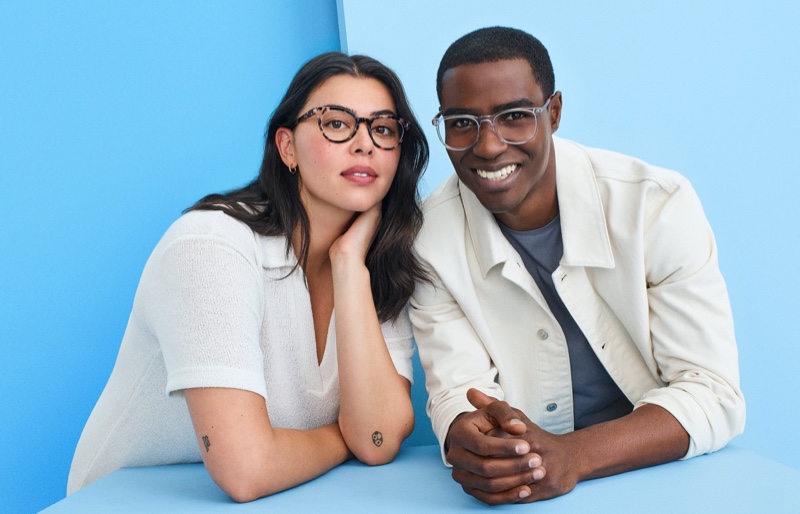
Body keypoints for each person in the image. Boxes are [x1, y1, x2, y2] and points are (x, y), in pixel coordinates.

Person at [67, 51, 429, 502]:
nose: (365, 144)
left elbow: (377, 442)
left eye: (383, 128)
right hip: (127, 499)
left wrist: (348, 265)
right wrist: (345, 437)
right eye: (337, 123)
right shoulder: (210, 243)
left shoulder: (378, 261)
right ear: (287, 147)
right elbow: (247, 470)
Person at [410, 26, 745, 505]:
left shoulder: (654, 207)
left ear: (556, 112)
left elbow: (712, 390)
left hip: (660, 474)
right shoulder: (428, 240)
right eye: (462, 122)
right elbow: (457, 391)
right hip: (529, 484)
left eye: (515, 116)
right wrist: (470, 437)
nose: (487, 146)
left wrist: (573, 455)